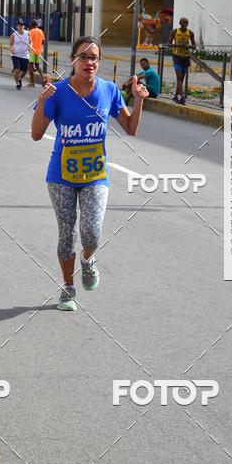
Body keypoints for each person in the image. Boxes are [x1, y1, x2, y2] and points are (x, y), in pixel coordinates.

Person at [32, 36, 148, 311]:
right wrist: (40, 101)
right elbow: (36, 134)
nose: (89, 62)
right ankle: (68, 288)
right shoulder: (57, 92)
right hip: (61, 176)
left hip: (96, 176)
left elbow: (130, 128)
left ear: (100, 62)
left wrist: (140, 100)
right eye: (83, 57)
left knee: (91, 234)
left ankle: (87, 260)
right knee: (66, 236)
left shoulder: (108, 90)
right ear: (73, 60)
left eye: (94, 57)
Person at [168, 17, 195, 104]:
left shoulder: (190, 33)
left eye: (186, 22)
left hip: (186, 57)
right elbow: (169, 44)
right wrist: (178, 45)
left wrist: (188, 46)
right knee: (179, 77)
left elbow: (194, 46)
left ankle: (176, 97)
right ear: (180, 23)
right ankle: (183, 97)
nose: (185, 24)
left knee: (181, 79)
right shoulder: (175, 31)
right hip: (177, 56)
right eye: (183, 22)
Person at [9, 19, 30, 89]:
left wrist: (30, 47)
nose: (21, 27)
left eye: (22, 25)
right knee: (17, 69)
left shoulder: (27, 33)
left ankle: (20, 78)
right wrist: (11, 49)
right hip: (16, 54)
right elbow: (10, 44)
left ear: (24, 26)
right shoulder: (14, 35)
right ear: (17, 26)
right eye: (19, 26)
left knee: (24, 71)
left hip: (25, 55)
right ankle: (17, 83)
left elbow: (31, 42)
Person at [27, 19, 44, 87]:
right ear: (37, 25)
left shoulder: (30, 32)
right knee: (37, 66)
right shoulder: (41, 31)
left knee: (30, 66)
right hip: (38, 51)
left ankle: (32, 83)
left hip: (31, 51)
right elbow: (43, 42)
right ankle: (43, 80)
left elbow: (28, 42)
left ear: (31, 25)